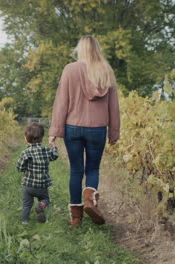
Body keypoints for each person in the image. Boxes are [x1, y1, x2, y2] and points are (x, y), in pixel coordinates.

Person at [48, 35, 120, 227]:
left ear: (80, 49)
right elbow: (114, 105)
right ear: (97, 49)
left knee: (76, 171)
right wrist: (114, 132)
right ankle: (90, 199)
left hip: (73, 128)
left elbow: (62, 102)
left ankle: (76, 218)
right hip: (97, 129)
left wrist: (54, 131)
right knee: (93, 169)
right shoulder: (106, 71)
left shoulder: (70, 70)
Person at [17, 123, 59, 224]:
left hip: (29, 185)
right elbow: (54, 156)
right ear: (42, 138)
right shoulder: (46, 150)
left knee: (26, 204)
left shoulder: (25, 153)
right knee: (45, 199)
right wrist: (53, 146)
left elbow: (20, 168)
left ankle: (24, 221)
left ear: (26, 139)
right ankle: (41, 206)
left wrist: (25, 167)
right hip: (42, 185)